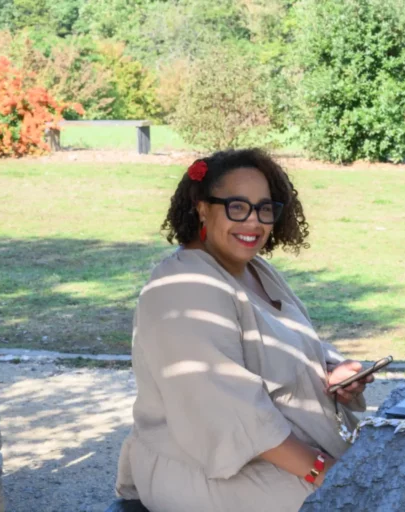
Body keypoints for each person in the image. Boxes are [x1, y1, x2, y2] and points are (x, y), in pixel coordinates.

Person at [114, 148, 373, 512]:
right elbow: (227, 412)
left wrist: (331, 370)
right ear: (202, 208)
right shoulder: (183, 287)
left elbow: (288, 339)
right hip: (210, 476)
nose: (254, 222)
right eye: (237, 207)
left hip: (288, 456)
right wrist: (324, 470)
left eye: (264, 208)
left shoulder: (256, 270)